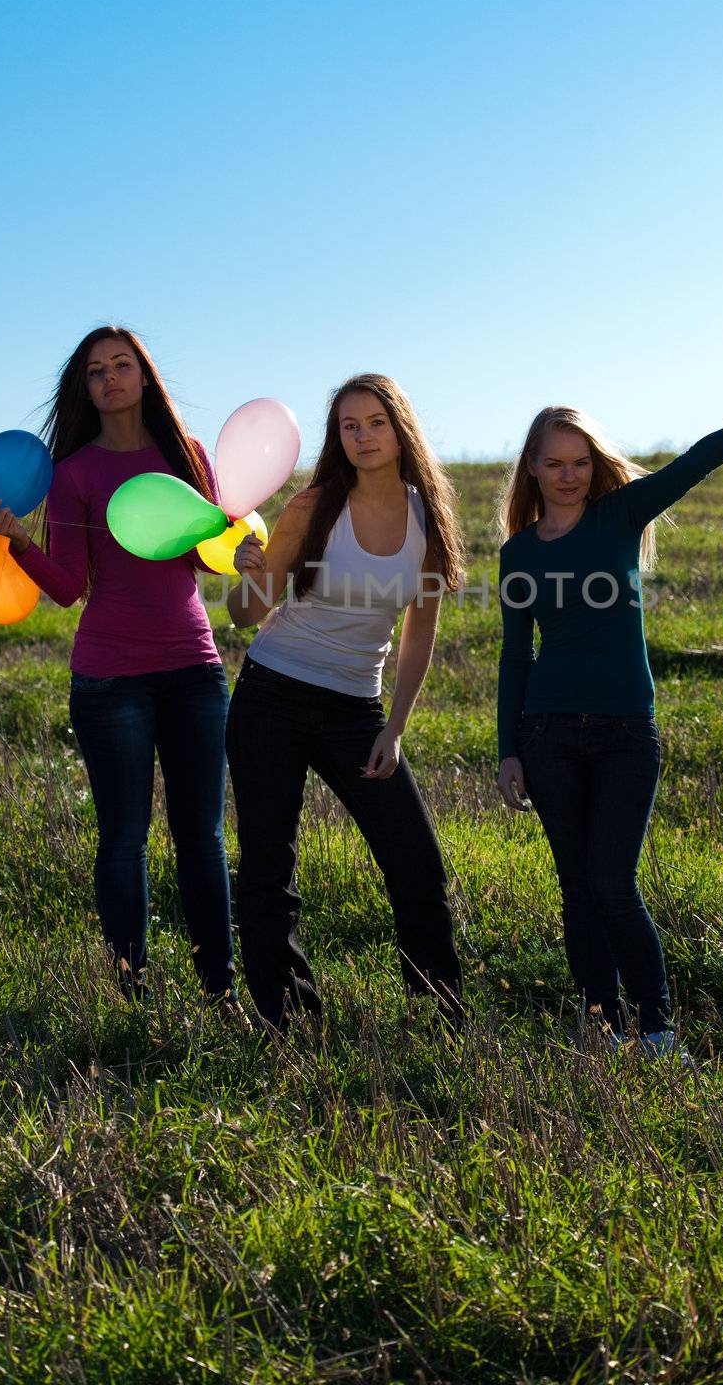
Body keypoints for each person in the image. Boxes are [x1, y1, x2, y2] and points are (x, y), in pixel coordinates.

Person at [496, 394, 723, 1062]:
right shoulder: (518, 556)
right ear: (532, 469)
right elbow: (516, 657)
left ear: (595, 466)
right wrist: (507, 750)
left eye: (580, 462)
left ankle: (656, 1031)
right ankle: (601, 1029)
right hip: (546, 736)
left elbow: (691, 466)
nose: (568, 474)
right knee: (575, 889)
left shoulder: (621, 515)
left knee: (610, 882)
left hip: (626, 732)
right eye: (554, 463)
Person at [0, 326, 239, 1013]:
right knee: (123, 837)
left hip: (194, 670)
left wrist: (229, 529)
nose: (110, 378)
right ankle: (133, 991)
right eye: (96, 371)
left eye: (122, 365)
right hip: (108, 679)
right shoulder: (74, 474)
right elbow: (69, 587)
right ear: (85, 388)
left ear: (145, 376)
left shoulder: (186, 456)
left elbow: (205, 552)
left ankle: (221, 988)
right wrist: (17, 542)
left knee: (203, 836)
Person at [225, 373, 466, 1034]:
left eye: (375, 422)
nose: (362, 436)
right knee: (269, 863)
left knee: (415, 860)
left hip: (355, 707)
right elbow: (249, 615)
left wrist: (395, 727)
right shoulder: (313, 507)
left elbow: (419, 635)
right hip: (271, 693)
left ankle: (440, 1014)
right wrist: (247, 575)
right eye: (348, 426)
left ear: (400, 428)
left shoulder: (427, 515)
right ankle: (289, 1021)